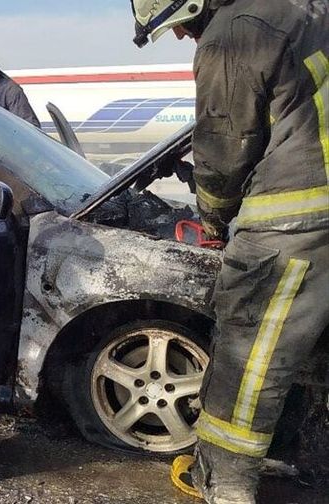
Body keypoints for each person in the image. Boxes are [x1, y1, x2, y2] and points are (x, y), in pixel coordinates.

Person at [131, 0, 328, 502]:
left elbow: (223, 148)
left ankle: (223, 483)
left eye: (177, 25)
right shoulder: (306, 10)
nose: (180, 38)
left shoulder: (232, 32)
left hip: (294, 220)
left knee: (247, 360)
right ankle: (303, 458)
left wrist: (214, 218)